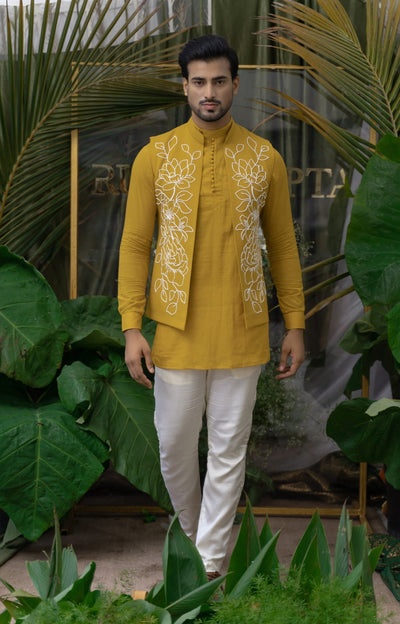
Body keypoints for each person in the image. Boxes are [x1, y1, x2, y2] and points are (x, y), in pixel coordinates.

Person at [118, 34, 305, 578]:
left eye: (218, 81)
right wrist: (133, 326)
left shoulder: (262, 158)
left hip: (242, 331)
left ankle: (207, 568)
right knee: (175, 451)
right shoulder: (155, 156)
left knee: (228, 453)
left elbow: (285, 245)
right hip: (175, 330)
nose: (209, 91)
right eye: (198, 81)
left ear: (235, 85)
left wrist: (294, 324)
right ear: (185, 87)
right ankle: (206, 547)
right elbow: (134, 244)